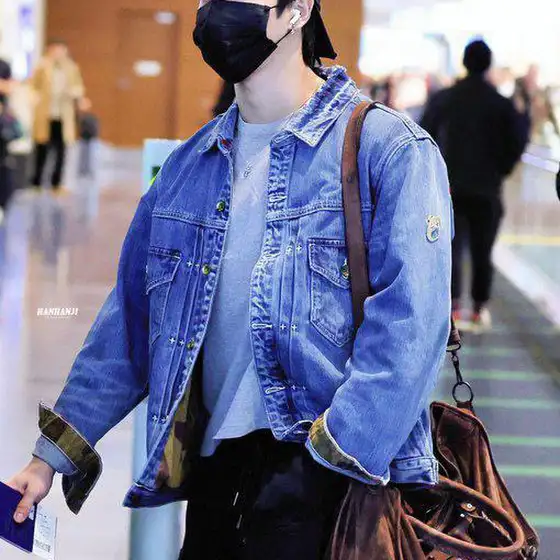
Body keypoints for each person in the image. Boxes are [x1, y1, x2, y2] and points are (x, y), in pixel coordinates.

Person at [9, 1, 452, 558]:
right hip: (217, 482)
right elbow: (129, 326)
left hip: (329, 485)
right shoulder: (189, 166)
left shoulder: (387, 150)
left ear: (297, 10)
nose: (214, 11)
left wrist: (336, 453)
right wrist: (50, 458)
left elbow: (412, 327)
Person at [421, 40, 529, 332]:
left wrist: (435, 171)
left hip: (450, 187)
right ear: (488, 64)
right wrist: (502, 169)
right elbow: (518, 140)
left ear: (464, 62)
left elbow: (424, 134)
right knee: (483, 250)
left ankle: (453, 306)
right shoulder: (500, 103)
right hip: (487, 188)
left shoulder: (446, 98)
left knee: (450, 247)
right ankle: (479, 309)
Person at [30, 39, 84, 193]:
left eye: (60, 50)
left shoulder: (71, 68)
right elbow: (33, 87)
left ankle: (56, 183)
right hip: (46, 114)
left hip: (63, 115)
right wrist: (35, 99)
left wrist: (74, 93)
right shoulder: (42, 66)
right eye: (54, 50)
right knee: (42, 148)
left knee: (61, 150)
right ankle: (37, 183)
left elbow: (78, 87)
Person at [77, 97, 99, 177]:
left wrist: (94, 136)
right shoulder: (80, 118)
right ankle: (82, 170)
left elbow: (95, 128)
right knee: (83, 155)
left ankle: (88, 170)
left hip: (90, 139)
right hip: (83, 139)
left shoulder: (91, 118)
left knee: (90, 156)